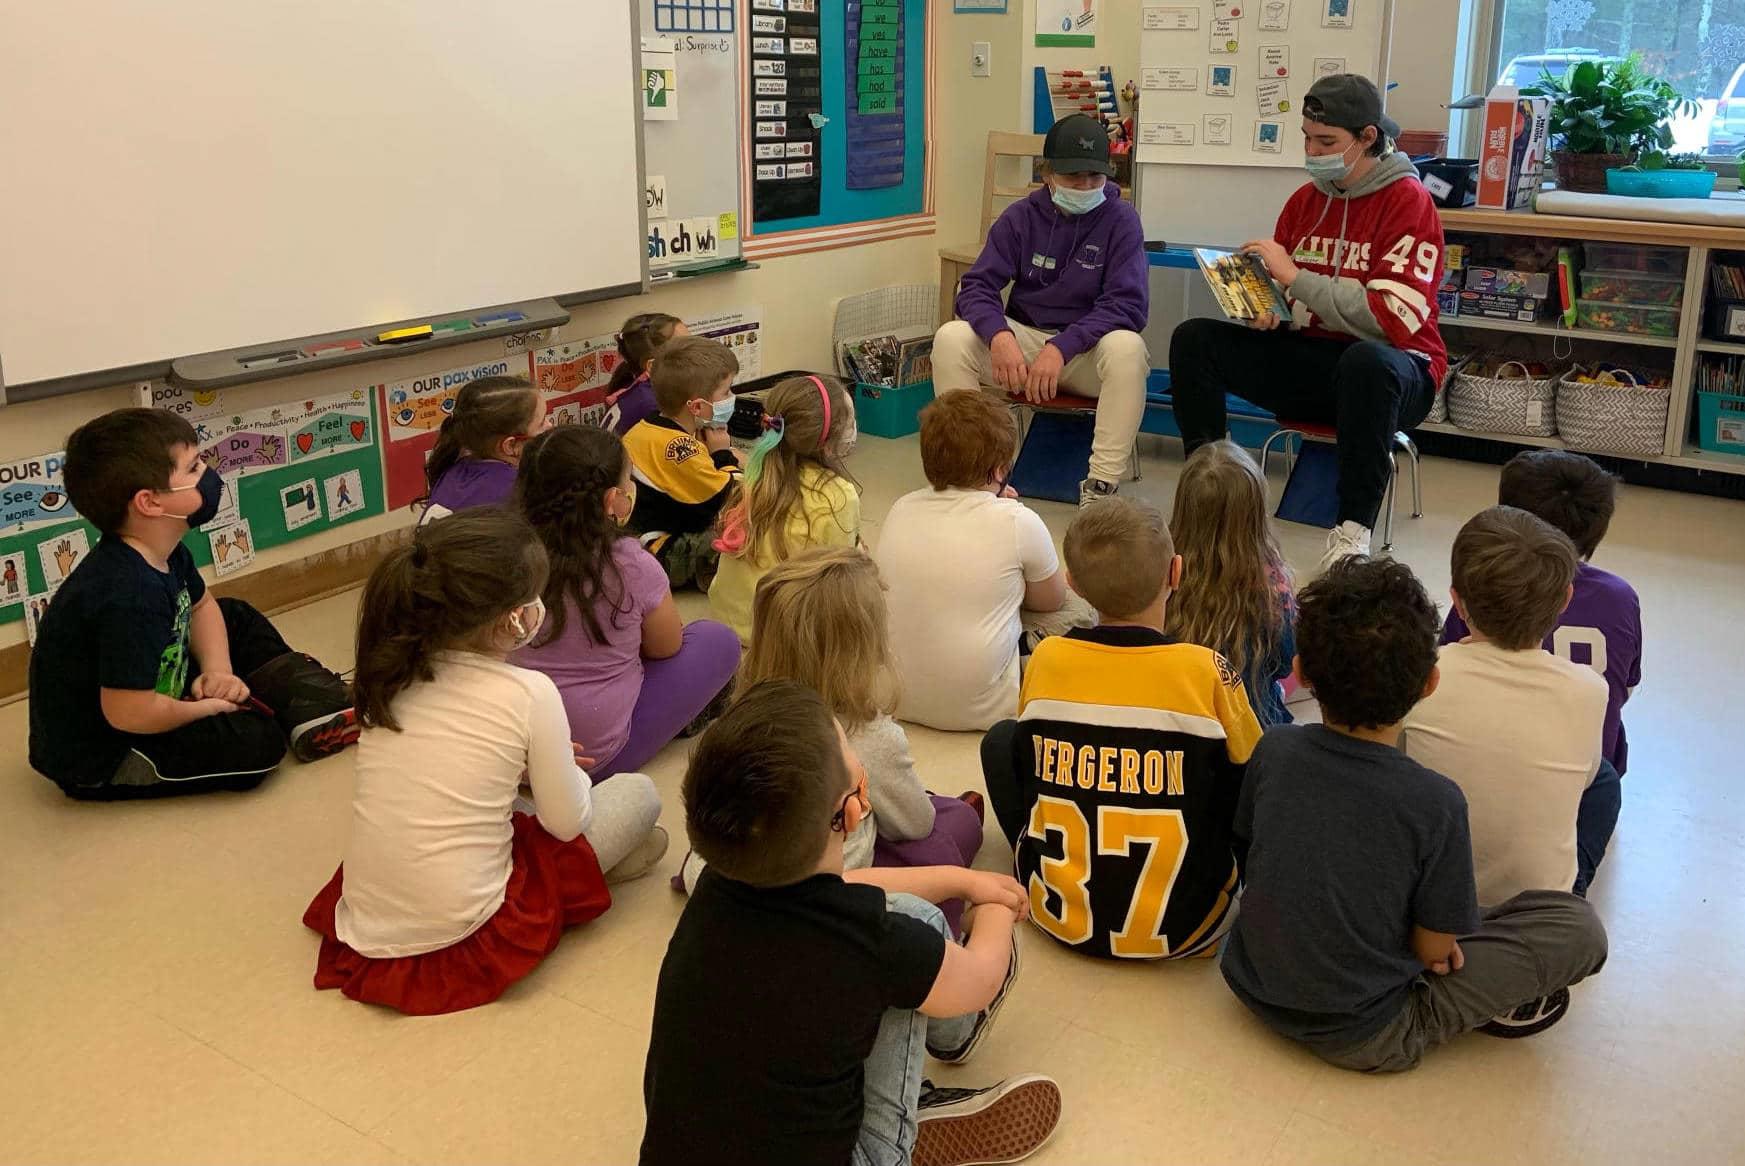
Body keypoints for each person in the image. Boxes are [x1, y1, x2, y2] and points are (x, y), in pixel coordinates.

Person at [641, 680, 1063, 1166]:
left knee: (899, 923)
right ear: (852, 812)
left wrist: (959, 880)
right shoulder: (866, 943)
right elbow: (981, 978)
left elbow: (853, 881)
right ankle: (909, 1120)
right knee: (920, 930)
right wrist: (997, 906)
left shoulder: (717, 886)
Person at [1221, 557, 1608, 1071]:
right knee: (1578, 929)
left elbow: (1251, 853)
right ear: (1430, 683)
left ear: (1302, 674)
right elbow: (1433, 948)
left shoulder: (1276, 749)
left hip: (1251, 983)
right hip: (1368, 1032)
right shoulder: (1436, 800)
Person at [302, 509, 667, 1015]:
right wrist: (565, 771)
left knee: (530, 808)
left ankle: (613, 860)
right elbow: (564, 825)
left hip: (371, 916)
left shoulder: (391, 675)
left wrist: (525, 772)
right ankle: (608, 866)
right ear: (513, 619)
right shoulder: (529, 692)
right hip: (467, 936)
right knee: (639, 795)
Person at [1168, 74, 1448, 568]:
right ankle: (1212, 501)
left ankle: (1352, 534)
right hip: (1318, 358)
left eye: (1327, 142)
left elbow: (1391, 321)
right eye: (1306, 137)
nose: (1312, 150)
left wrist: (1294, 277)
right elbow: (1291, 297)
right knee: (1194, 339)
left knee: (1367, 362)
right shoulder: (1305, 200)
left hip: (1399, 369)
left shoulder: (1409, 201)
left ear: (1367, 138)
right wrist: (1266, 304)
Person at [981, 498, 1262, 959]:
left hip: (1058, 916)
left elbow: (1029, 758)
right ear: (1176, 573)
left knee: (1001, 741)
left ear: (1073, 584)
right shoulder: (1207, 669)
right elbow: (1252, 777)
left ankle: (1042, 863)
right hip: (1195, 926)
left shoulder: (1047, 658)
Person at [28, 409, 355, 800]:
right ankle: (278, 709)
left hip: (153, 691)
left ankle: (310, 706)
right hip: (109, 749)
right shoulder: (128, 597)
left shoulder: (161, 551)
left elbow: (200, 607)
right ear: (149, 503)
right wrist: (209, 708)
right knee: (259, 744)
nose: (209, 472)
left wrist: (219, 672)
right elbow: (129, 713)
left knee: (233, 614)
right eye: (194, 467)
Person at [734, 548, 985, 903]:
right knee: (957, 821)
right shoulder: (868, 736)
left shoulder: (739, 719)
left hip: (739, 880)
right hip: (826, 895)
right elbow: (916, 825)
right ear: (862, 647)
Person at [1443, 450, 1639, 890]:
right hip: (1570, 789)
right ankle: (1572, 891)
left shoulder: (1477, 589)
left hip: (1472, 775)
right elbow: (1626, 685)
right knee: (1605, 780)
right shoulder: (1620, 598)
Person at [933, 112, 1150, 508]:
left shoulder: (1123, 221)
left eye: (1094, 177)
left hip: (1086, 352)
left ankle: (1100, 488)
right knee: (951, 338)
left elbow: (1128, 305)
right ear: (1047, 174)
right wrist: (999, 336)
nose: (1084, 186)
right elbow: (977, 285)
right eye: (1072, 178)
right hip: (1024, 346)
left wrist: (1062, 347)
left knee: (1128, 349)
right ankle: (970, 477)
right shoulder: (1020, 217)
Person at [1403, 507, 1610, 904]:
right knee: (1604, 781)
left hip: (1429, 896)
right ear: (1566, 598)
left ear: (1456, 602)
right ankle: (1569, 899)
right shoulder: (1588, 689)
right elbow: (1581, 783)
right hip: (1529, 913)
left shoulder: (1423, 673)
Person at [512, 425, 740, 781]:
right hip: (596, 755)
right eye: (627, 482)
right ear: (609, 502)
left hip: (510, 752)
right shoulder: (628, 563)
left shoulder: (505, 555)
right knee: (717, 640)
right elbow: (667, 646)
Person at [876, 391, 1093, 732]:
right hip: (985, 709)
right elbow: (1051, 601)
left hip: (892, 698)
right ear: (999, 470)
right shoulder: (1017, 521)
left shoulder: (900, 507)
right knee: (1080, 606)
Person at [709, 374, 861, 642]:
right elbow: (837, 581)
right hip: (781, 639)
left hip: (730, 624)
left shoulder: (755, 475)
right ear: (827, 443)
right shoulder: (839, 495)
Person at [1164, 440, 1297, 726]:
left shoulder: (1158, 567)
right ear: (1254, 514)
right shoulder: (1273, 584)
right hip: (1246, 726)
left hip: (1172, 718)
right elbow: (1286, 662)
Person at [622, 336, 743, 590]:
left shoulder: (649, 427)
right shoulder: (679, 448)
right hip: (661, 550)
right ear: (697, 407)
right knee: (749, 531)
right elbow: (731, 496)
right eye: (726, 391)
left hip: (641, 537)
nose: (731, 397)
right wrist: (723, 455)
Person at [418, 376, 549, 523]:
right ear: (510, 446)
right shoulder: (517, 491)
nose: (550, 426)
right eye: (542, 423)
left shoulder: (455, 469)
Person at [603, 312, 687, 435]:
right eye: (686, 349)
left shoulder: (638, 390)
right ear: (652, 367)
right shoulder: (657, 408)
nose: (697, 351)